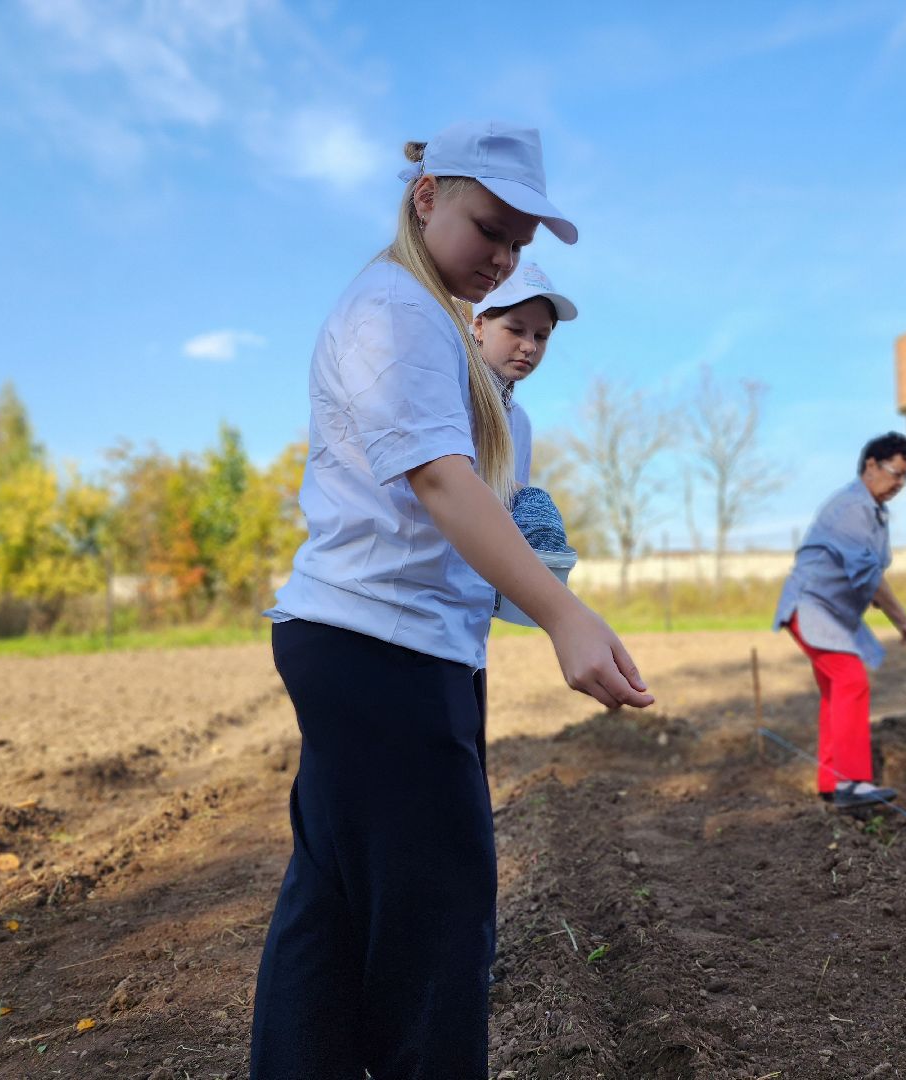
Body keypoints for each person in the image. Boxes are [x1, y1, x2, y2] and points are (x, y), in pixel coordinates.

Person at [250, 121, 654, 1080]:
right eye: (492, 229)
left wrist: (528, 568)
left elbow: (452, 495)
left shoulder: (426, 323)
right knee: (440, 919)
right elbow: (436, 478)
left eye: (520, 243)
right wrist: (567, 616)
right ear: (427, 197)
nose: (505, 258)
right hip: (381, 648)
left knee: (334, 900)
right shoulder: (397, 311)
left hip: (377, 645)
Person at [774, 432, 906, 807]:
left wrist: (879, 600)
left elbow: (868, 575)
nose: (899, 483)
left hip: (833, 612)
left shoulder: (875, 513)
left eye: (905, 477)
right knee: (851, 681)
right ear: (871, 466)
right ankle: (853, 783)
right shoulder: (852, 508)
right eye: (895, 473)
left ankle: (831, 781)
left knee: (836, 691)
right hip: (811, 607)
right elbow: (869, 576)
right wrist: (905, 622)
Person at [472, 261, 577, 487]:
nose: (530, 346)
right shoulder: (448, 393)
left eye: (541, 336)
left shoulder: (519, 423)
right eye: (516, 330)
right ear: (480, 326)